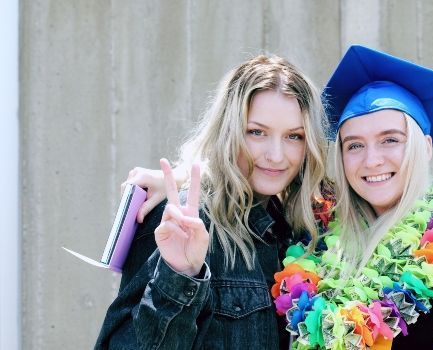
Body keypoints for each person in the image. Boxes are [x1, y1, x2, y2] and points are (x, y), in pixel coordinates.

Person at [271, 46, 433, 349]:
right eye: (355, 145)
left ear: (425, 146)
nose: (372, 161)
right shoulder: (310, 249)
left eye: (390, 140)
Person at [95, 54, 328, 349]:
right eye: (256, 132)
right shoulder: (183, 220)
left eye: (294, 136)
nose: (276, 155)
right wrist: (179, 276)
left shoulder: (296, 228)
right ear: (229, 131)